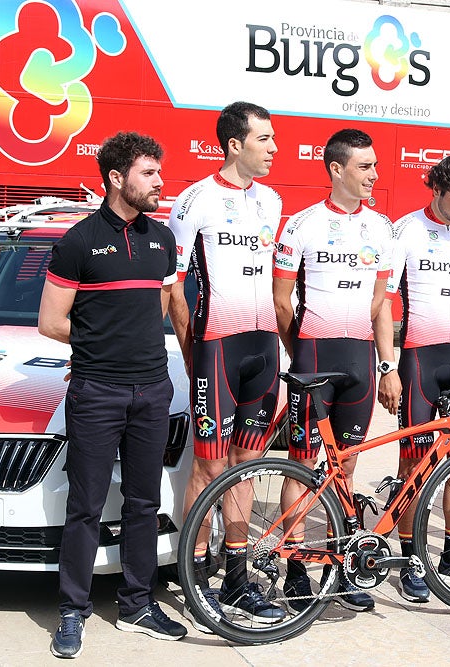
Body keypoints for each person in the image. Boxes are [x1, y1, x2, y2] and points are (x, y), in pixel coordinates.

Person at [39, 132, 185, 658]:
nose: (159, 182)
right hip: (96, 392)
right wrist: (105, 347)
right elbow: (51, 321)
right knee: (86, 506)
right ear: (116, 179)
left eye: (159, 173)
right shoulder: (78, 242)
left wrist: (139, 346)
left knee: (144, 503)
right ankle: (72, 612)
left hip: (152, 390)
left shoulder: (162, 239)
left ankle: (137, 605)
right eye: (149, 173)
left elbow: (165, 302)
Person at [168, 101, 285, 630]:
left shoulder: (273, 201)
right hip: (217, 344)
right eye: (265, 139)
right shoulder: (196, 200)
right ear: (235, 144)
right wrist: (194, 353)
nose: (275, 148)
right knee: (208, 465)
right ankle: (193, 578)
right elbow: (174, 289)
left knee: (246, 464)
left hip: (263, 349)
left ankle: (236, 574)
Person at [273, 128, 395, 613]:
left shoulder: (381, 228)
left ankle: (342, 565)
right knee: (303, 464)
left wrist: (387, 365)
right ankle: (296, 567)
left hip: (360, 359)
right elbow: (282, 300)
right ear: (336, 169)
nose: (374, 175)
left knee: (345, 465)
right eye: (365, 167)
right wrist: (300, 350)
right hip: (314, 356)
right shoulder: (301, 225)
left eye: (375, 166)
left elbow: (381, 302)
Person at [377, 152, 450, 603]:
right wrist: (387, 366)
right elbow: (385, 304)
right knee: (413, 463)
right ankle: (409, 558)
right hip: (420, 358)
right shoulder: (406, 229)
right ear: (436, 189)